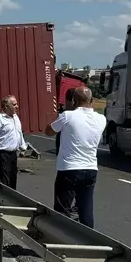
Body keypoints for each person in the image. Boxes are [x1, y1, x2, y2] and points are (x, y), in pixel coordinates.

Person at [49, 86, 106, 228]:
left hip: (69, 168)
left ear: (73, 101)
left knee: (62, 209)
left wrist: (68, 112)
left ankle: (62, 237)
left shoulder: (68, 116)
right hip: (91, 169)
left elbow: (49, 131)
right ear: (92, 100)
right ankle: (88, 237)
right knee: (86, 209)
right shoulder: (101, 119)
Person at [0, 95, 27, 189]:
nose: (17, 106)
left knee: (13, 179)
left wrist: (23, 147)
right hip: (2, 154)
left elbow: (19, 133)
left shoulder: (15, 117)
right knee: (5, 179)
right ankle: (3, 196)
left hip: (13, 153)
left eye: (16, 104)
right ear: (6, 106)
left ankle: (11, 196)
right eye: (14, 104)